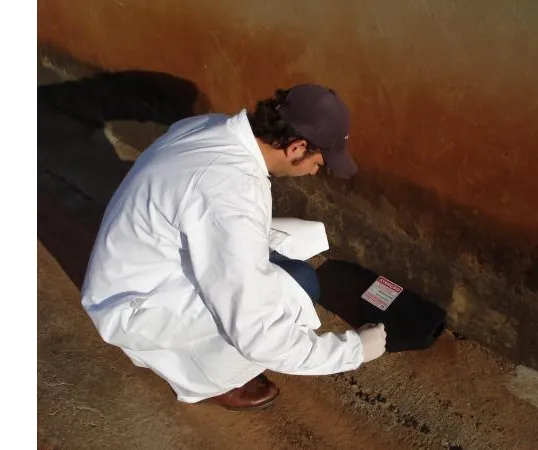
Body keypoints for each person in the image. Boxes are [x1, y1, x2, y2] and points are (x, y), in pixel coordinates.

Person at [81, 84, 387, 411]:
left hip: (134, 270)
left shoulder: (211, 126)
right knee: (299, 284)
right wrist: (353, 351)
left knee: (297, 240)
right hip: (134, 308)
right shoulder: (231, 191)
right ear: (297, 148)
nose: (315, 172)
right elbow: (255, 330)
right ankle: (211, 379)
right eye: (320, 164)